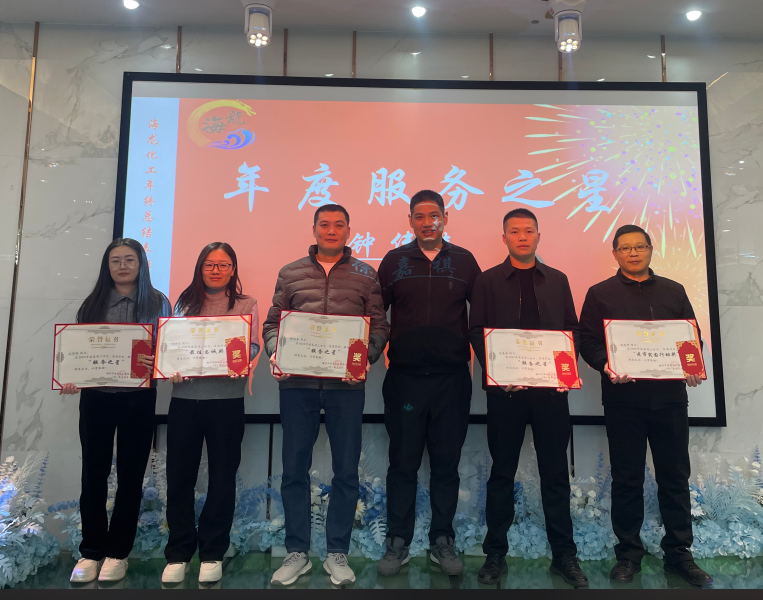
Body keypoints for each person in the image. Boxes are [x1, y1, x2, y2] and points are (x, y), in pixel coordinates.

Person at [578, 224, 712, 588]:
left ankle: (680, 554)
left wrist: (692, 365)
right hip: (624, 401)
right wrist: (606, 364)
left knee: (674, 477)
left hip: (670, 400)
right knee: (627, 479)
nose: (633, 253)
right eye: (625, 248)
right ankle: (628, 555)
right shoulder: (600, 293)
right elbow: (587, 341)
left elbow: (691, 337)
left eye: (640, 247)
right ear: (615, 254)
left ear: (651, 250)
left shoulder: (673, 290)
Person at [263, 204, 389, 587]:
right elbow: (273, 323)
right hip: (297, 385)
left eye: (339, 225)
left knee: (346, 470)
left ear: (349, 231)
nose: (331, 230)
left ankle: (337, 552)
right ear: (314, 228)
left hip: (345, 387)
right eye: (325, 224)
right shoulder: (290, 272)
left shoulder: (366, 275)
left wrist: (364, 358)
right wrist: (276, 352)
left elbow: (379, 327)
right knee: (293, 470)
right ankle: (297, 553)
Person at [468, 209, 588, 587]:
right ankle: (495, 554)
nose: (522, 237)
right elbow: (476, 331)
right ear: (504, 238)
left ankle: (564, 555)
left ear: (539, 236)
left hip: (550, 393)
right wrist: (498, 373)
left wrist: (565, 371)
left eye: (529, 231)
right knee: (502, 473)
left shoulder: (557, 279)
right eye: (515, 231)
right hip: (506, 394)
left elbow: (571, 330)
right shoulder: (487, 280)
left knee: (555, 474)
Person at [375, 190, 481, 577]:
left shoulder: (465, 261)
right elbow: (375, 315)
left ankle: (442, 540)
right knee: (402, 464)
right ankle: (397, 541)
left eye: (433, 215)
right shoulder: (394, 261)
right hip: (404, 380)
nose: (427, 222)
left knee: (446, 465)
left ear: (445, 218)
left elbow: (481, 319)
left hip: (452, 381)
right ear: (410, 222)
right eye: (419, 216)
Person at [62, 238, 171, 584]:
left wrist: (159, 361)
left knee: (130, 475)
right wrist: (69, 376)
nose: (122, 266)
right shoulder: (92, 304)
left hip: (138, 399)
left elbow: (169, 350)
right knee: (93, 473)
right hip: (96, 398)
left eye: (129, 260)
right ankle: (91, 551)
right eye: (115, 261)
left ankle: (118, 553)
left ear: (141, 264)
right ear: (107, 266)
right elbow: (76, 352)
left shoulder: (157, 302)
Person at [161, 242, 259, 585]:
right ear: (200, 268)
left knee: (222, 477)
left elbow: (252, 345)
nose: (216, 270)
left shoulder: (246, 304)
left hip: (226, 400)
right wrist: (170, 366)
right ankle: (179, 552)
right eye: (209, 264)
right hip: (185, 399)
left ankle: (213, 552)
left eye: (223, 264)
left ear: (233, 269)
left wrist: (242, 359)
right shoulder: (183, 303)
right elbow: (171, 346)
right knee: (179, 476)